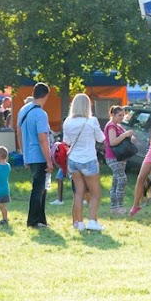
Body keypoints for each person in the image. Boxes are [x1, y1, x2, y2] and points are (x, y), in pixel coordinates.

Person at [63, 93, 106, 231]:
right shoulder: (92, 121)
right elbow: (101, 139)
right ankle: (92, 221)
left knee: (79, 192)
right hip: (88, 159)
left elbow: (66, 141)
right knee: (95, 193)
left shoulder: (68, 121)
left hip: (73, 160)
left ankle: (80, 223)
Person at [17, 83, 53, 228]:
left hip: (29, 154)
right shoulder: (40, 114)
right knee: (39, 189)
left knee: (41, 188)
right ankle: (33, 220)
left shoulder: (23, 110)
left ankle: (41, 220)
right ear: (46, 95)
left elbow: (19, 133)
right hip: (39, 155)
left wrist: (24, 153)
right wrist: (49, 160)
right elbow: (42, 138)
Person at [104, 105, 135, 215]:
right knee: (122, 179)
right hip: (113, 157)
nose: (122, 117)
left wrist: (130, 136)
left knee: (116, 181)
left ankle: (114, 207)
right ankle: (120, 206)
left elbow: (128, 138)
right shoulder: (111, 126)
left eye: (123, 115)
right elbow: (112, 142)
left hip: (121, 157)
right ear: (113, 115)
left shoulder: (119, 126)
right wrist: (125, 135)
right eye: (119, 115)